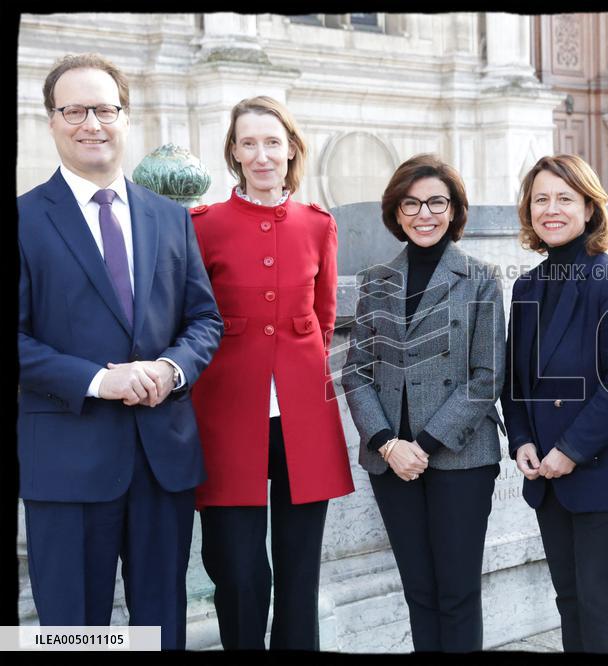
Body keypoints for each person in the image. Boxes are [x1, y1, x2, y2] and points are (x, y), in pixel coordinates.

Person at [17, 53, 222, 649]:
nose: (91, 123)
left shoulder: (169, 218)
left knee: (163, 630)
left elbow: (204, 319)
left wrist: (171, 367)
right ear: (51, 121)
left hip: (163, 460)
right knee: (73, 633)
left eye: (105, 109)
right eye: (74, 110)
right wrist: (94, 380)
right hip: (67, 461)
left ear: (125, 118)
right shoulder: (24, 219)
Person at [189, 96, 355, 650]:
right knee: (237, 573)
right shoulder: (203, 225)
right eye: (248, 143)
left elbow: (325, 320)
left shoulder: (318, 226)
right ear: (234, 153)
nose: (262, 155)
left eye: (272, 143)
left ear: (290, 151)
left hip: (303, 417)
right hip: (227, 418)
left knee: (299, 574)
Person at [340, 154, 506, 652]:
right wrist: (390, 444)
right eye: (410, 203)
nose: (424, 214)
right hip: (392, 463)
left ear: (454, 210)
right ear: (396, 212)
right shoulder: (376, 281)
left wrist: (425, 444)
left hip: (461, 459)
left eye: (436, 201)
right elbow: (356, 371)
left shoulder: (479, 279)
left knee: (456, 594)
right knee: (419, 593)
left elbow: (487, 376)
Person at [501, 154, 608, 654]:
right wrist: (523, 439)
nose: (552, 209)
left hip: (607, 476)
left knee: (600, 603)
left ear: (590, 209)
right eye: (541, 199)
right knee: (569, 600)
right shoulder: (527, 286)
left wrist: (569, 449)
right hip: (548, 480)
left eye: (565, 198)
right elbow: (515, 380)